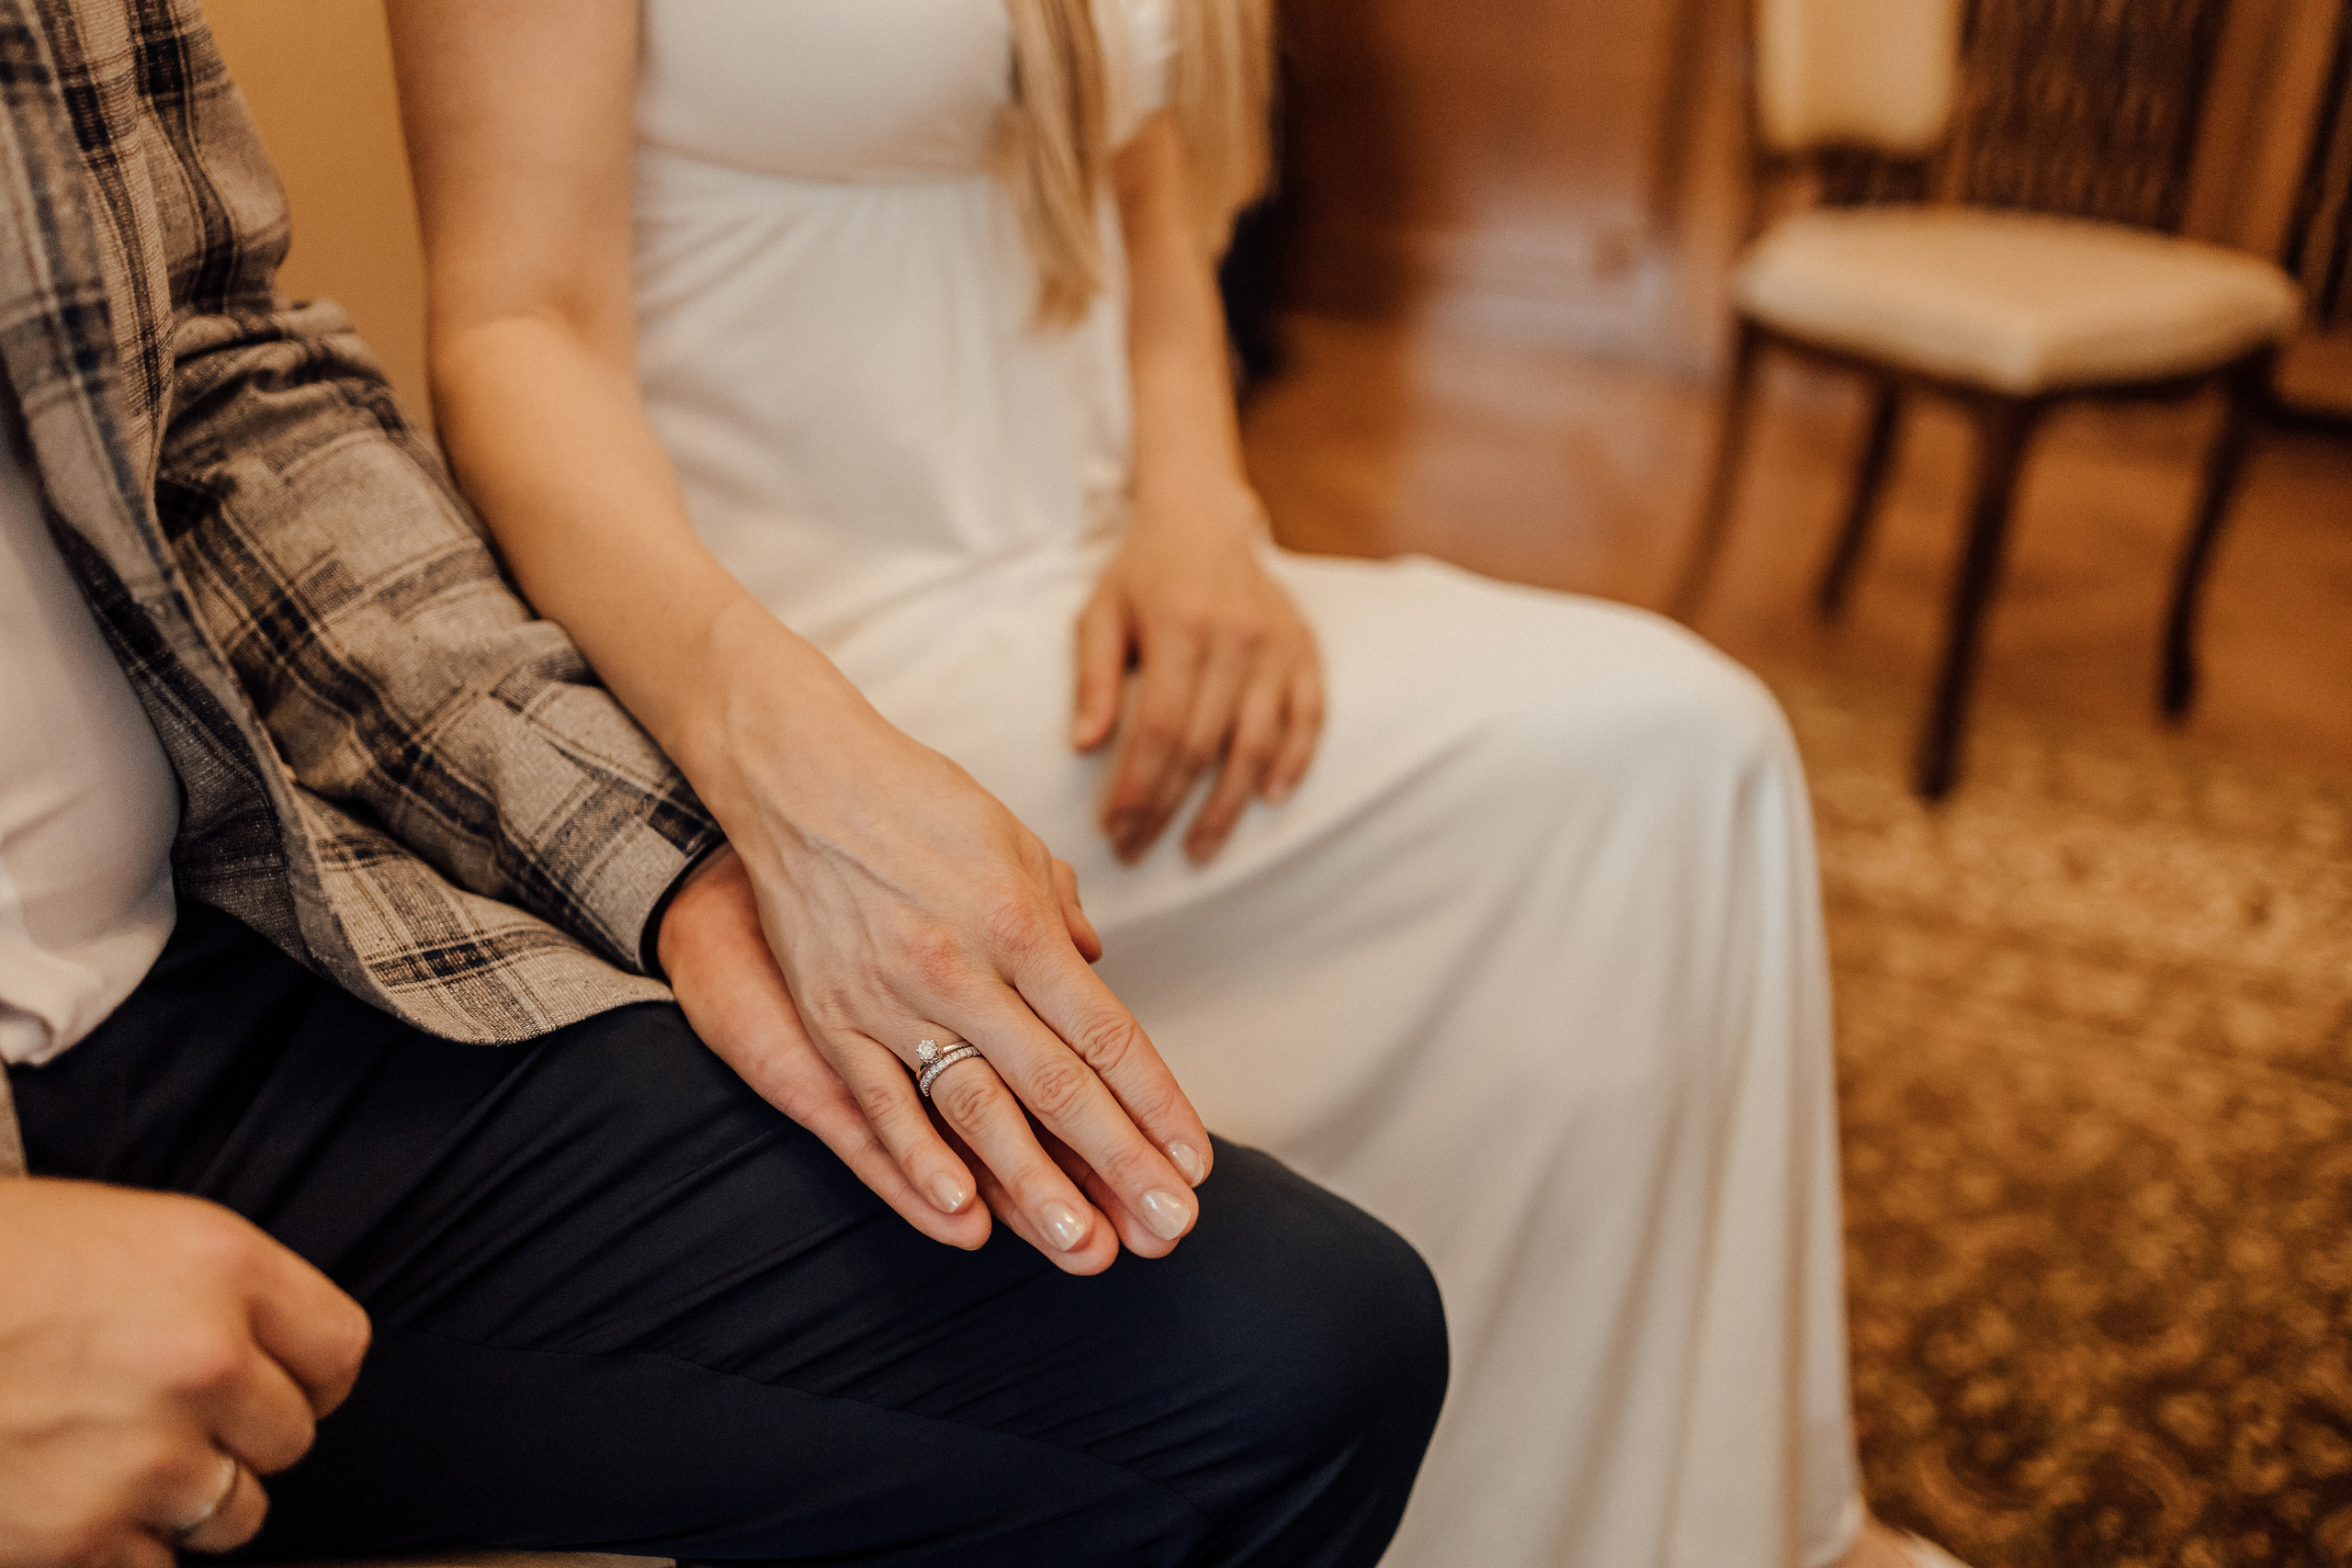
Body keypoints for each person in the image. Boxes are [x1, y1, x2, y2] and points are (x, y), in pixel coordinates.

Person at [383, 2, 1973, 1566]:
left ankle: (1659, 1521)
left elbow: (1153, 218)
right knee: (1658, 768)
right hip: (798, 672)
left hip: (1107, 587)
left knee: (1690, 763)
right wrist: (789, 755)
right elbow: (518, 334)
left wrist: (1204, 509)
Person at [0, 2, 1453, 1565]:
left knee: (1298, 1341)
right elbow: (519, 325)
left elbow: (215, 390)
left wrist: (686, 851)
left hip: (204, 938)